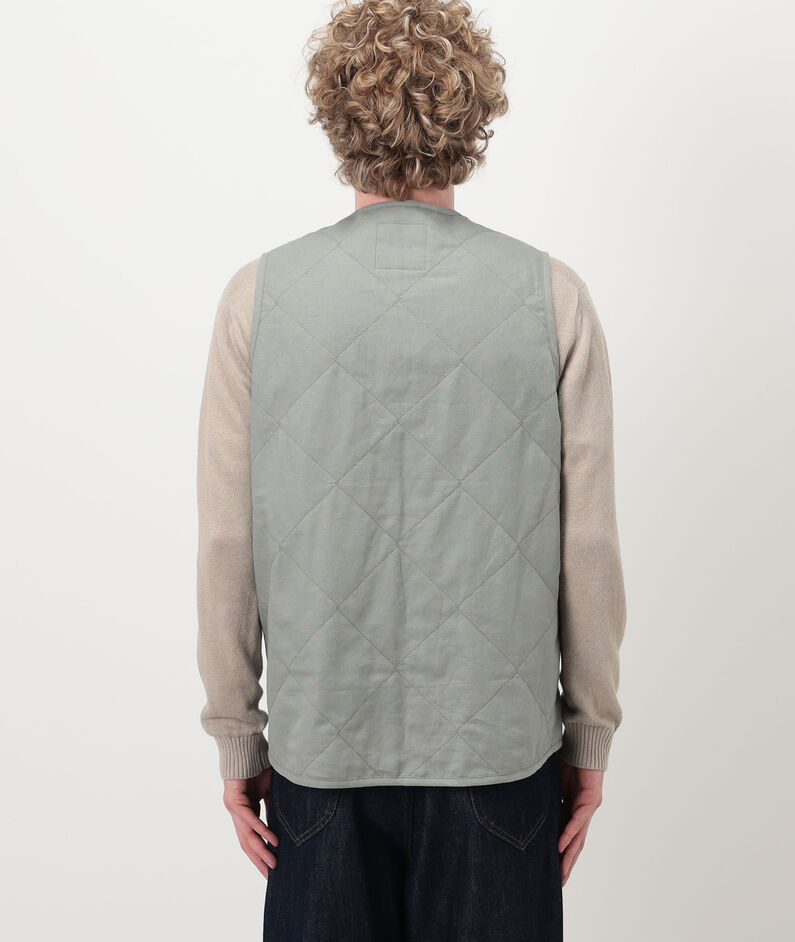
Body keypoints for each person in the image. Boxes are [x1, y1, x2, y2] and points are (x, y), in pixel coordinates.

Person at [195, 1, 627, 939]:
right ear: (473, 116)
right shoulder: (551, 296)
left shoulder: (255, 299)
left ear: (334, 116)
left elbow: (230, 540)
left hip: (320, 755)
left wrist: (237, 736)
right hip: (499, 760)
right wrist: (589, 732)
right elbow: (586, 542)